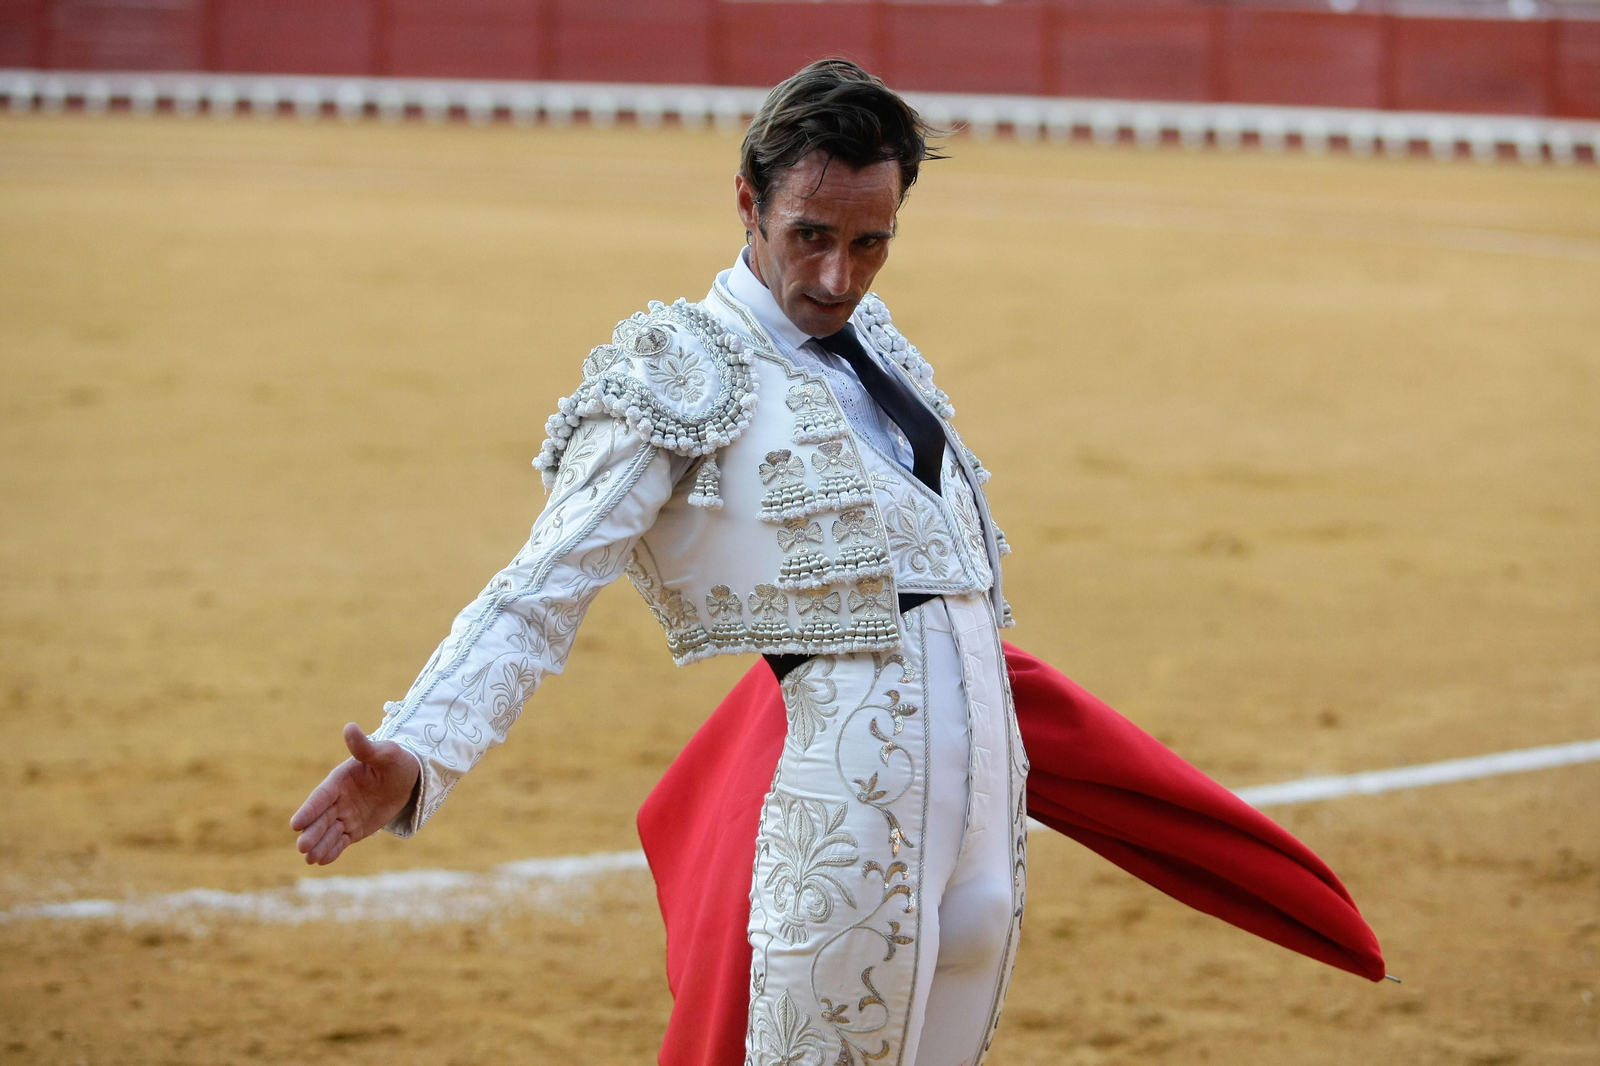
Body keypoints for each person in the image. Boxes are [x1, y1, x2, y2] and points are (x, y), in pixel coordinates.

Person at [291, 59, 1029, 1064]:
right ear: (745, 202)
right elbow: (539, 591)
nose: (836, 279)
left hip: (988, 828)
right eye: (809, 236)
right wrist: (422, 747)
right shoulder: (682, 367)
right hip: (849, 831)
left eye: (870, 244)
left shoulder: (880, 351)